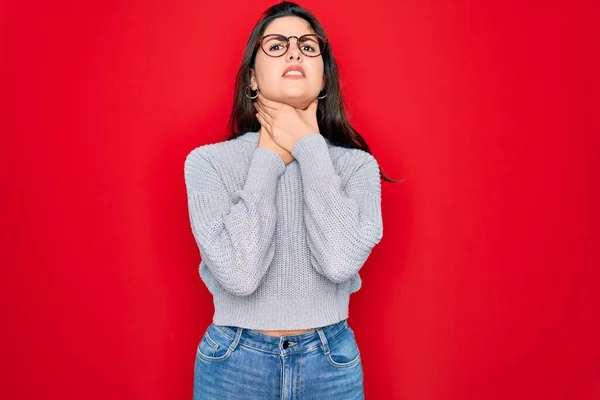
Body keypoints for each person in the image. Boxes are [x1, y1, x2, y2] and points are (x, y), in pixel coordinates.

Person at [184, 1, 399, 398]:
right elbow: (240, 275)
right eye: (277, 45)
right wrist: (268, 157)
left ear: (323, 79)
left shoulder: (356, 167)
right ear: (252, 78)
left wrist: (307, 145)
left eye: (307, 45)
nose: (295, 51)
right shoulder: (207, 163)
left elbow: (338, 262)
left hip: (330, 364)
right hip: (233, 363)